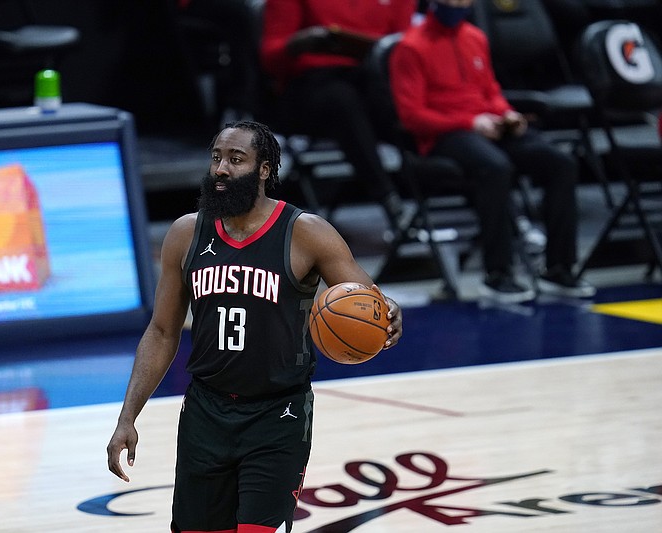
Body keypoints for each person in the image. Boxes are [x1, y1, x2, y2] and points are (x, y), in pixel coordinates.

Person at [106, 120, 403, 532]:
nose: (221, 169)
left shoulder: (306, 233)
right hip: (205, 413)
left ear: (264, 169)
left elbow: (368, 300)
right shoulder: (186, 234)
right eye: (216, 158)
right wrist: (127, 418)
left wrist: (387, 310)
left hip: (277, 415)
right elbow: (162, 332)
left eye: (236, 159)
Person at [390, 0, 596, 303]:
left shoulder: (475, 37)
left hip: (489, 127)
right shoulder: (410, 46)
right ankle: (497, 275)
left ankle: (559, 268)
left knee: (560, 162)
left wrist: (507, 114)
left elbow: (491, 92)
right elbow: (411, 115)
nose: (458, 5)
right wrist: (471, 122)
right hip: (444, 135)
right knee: (495, 167)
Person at [259, 0, 417, 234]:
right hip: (309, 86)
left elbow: (404, 46)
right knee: (343, 101)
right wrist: (300, 44)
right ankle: (389, 198)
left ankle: (432, 182)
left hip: (368, 78)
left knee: (391, 99)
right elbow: (270, 56)